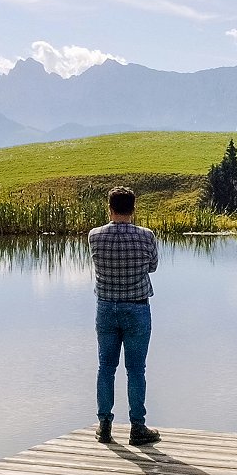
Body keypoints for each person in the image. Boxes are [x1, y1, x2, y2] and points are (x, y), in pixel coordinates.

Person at [88, 186, 161, 446]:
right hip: (137, 308)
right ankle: (137, 427)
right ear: (133, 208)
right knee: (136, 369)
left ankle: (105, 425)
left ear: (109, 207)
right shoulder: (146, 236)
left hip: (106, 308)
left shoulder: (94, 236)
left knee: (106, 367)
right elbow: (152, 266)